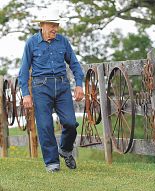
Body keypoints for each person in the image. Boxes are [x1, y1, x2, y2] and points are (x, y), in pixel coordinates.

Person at [18, 8, 84, 172]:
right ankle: (52, 163)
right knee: (45, 126)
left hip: (62, 86)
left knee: (70, 123)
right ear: (42, 25)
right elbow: (24, 70)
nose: (55, 28)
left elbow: (74, 64)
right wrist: (25, 93)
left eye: (57, 25)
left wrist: (79, 84)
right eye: (51, 25)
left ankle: (65, 149)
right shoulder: (31, 43)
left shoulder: (63, 42)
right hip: (41, 88)